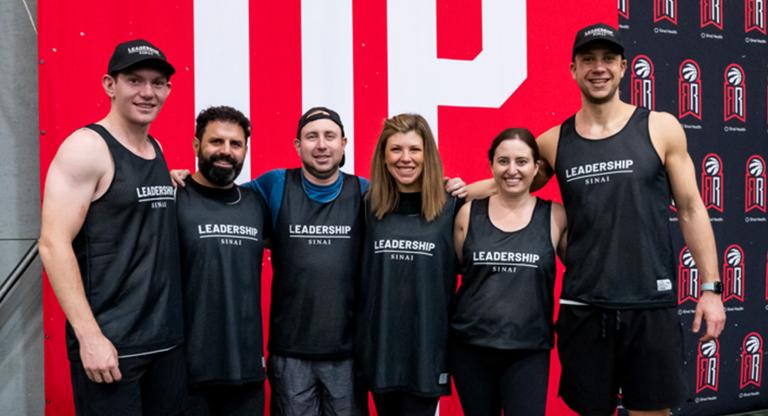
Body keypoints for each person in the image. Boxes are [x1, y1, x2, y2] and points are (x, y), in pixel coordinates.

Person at [471, 23, 726, 416]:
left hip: (649, 304)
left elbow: (692, 208)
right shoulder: (554, 141)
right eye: (588, 59)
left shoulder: (660, 127)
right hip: (584, 308)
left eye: (608, 59)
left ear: (624, 68)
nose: (598, 67)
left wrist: (711, 289)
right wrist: (452, 192)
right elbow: (511, 180)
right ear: (573, 69)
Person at [171, 107, 466, 416]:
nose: (322, 145)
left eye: (330, 136)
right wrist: (181, 181)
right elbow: (218, 196)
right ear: (298, 145)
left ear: (344, 144)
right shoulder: (274, 185)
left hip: (349, 355)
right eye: (312, 137)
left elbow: (416, 200)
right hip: (290, 355)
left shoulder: (367, 194)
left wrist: (456, 187)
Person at [39, 39, 186, 415]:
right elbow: (54, 244)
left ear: (168, 89)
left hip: (164, 345)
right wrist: (90, 337)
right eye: (134, 80)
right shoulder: (87, 148)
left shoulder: (156, 149)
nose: (147, 92)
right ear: (110, 85)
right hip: (111, 349)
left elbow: (129, 205)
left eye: (157, 83)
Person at [450, 128, 566, 416]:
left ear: (536, 167)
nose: (512, 170)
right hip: (470, 349)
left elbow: (587, 270)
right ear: (491, 166)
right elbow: (446, 276)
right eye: (503, 161)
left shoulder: (555, 216)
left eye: (522, 161)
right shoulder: (468, 214)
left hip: (528, 351)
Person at [356, 113, 460, 416]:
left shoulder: (452, 206)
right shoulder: (367, 207)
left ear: (428, 155)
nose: (406, 158)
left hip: (427, 351)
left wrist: (469, 188)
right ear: (384, 157)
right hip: (380, 352)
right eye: (396, 149)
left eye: (414, 149)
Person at [176, 106, 269, 416]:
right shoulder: (173, 197)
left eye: (236, 144)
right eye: (216, 142)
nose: (226, 152)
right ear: (196, 144)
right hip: (186, 373)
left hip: (246, 372)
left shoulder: (256, 204)